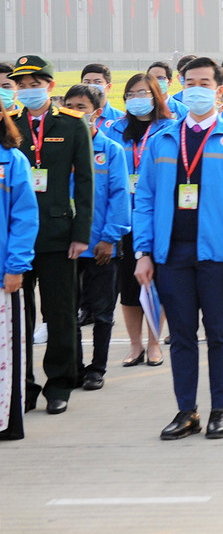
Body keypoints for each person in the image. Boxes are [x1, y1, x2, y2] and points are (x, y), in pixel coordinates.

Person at [132, 56, 223, 440]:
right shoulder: (162, 139)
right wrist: (143, 252)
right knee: (183, 337)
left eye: (205, 83)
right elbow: (145, 199)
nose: (197, 89)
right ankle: (186, 411)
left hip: (219, 255)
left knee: (222, 333)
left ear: (219, 90)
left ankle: (220, 409)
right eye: (190, 82)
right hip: (171, 254)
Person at [12, 55, 93, 416]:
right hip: (17, 236)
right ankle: (22, 385)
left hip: (60, 232)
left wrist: (82, 233)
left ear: (50, 86)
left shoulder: (73, 124)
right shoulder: (9, 123)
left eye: (36, 84)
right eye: (23, 86)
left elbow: (87, 182)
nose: (29, 91)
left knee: (59, 314)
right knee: (19, 317)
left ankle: (59, 383)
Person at [60, 85, 131, 393]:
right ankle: (73, 366)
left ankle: (97, 368)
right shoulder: (59, 149)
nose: (76, 111)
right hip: (66, 245)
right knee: (68, 310)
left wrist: (110, 238)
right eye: (70, 105)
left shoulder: (110, 150)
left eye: (82, 106)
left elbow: (119, 197)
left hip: (101, 245)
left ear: (97, 113)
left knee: (102, 311)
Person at [101, 72, 172, 367]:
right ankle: (134, 345)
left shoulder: (170, 130)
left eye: (143, 93)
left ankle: (155, 342)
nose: (137, 99)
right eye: (131, 94)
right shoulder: (114, 130)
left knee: (158, 283)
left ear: (155, 95)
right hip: (125, 218)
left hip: (160, 217)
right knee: (129, 286)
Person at [0, 104, 39, 441]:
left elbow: (24, 218)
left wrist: (16, 266)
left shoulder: (12, 161)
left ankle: (6, 423)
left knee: (5, 356)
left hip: (3, 276)